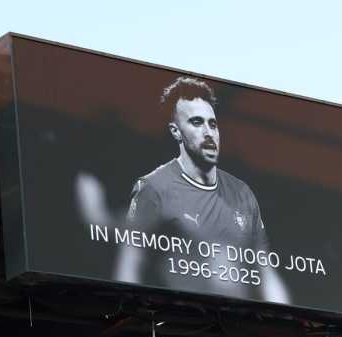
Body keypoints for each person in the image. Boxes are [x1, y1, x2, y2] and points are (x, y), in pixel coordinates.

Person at [115, 76, 288, 303]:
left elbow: (265, 271)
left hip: (239, 325)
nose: (209, 133)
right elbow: (129, 265)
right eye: (197, 122)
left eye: (212, 123)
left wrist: (288, 321)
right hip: (182, 324)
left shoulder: (242, 192)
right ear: (176, 131)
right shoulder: (154, 187)